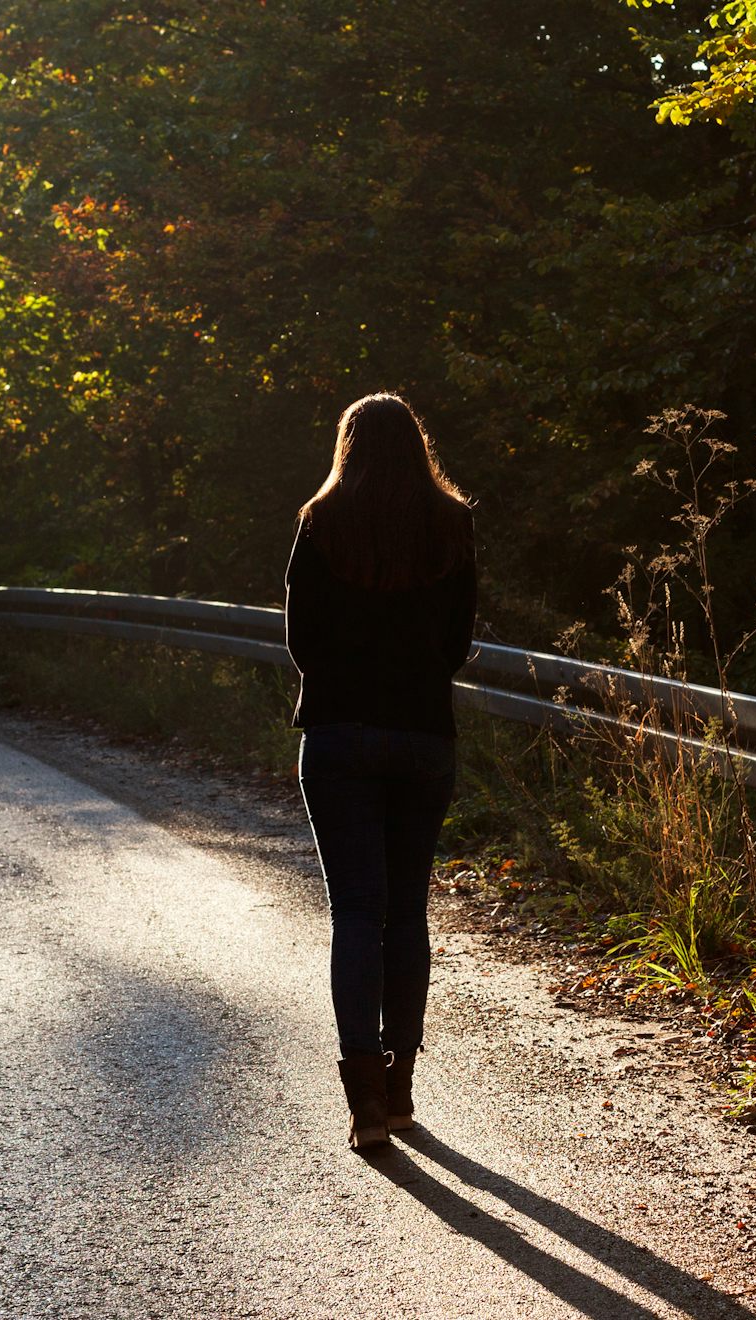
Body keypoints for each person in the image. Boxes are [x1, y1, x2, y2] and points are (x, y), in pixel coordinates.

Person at [286, 392, 476, 1151]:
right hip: (423, 737)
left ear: (349, 446)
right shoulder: (451, 524)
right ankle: (399, 1093)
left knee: (356, 914)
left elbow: (302, 643)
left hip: (337, 737)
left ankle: (364, 1100)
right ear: (418, 448)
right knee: (408, 913)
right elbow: (458, 646)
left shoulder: (319, 521)